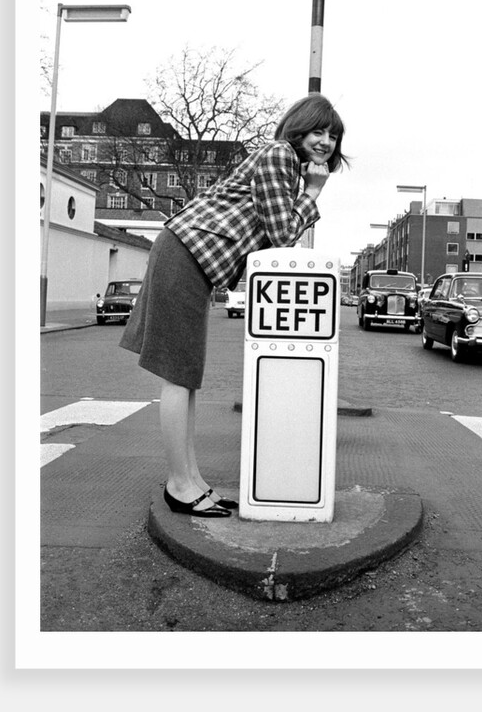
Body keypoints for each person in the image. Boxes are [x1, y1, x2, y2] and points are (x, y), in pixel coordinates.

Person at [119, 94, 347, 518]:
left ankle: (191, 480)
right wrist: (314, 192)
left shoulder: (283, 165)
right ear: (298, 128)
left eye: (333, 136)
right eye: (319, 131)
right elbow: (281, 234)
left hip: (190, 255)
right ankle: (180, 483)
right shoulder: (280, 155)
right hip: (188, 252)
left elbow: (273, 229)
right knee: (177, 373)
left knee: (185, 374)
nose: (326, 142)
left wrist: (306, 191)